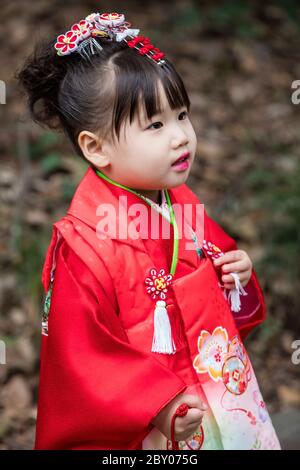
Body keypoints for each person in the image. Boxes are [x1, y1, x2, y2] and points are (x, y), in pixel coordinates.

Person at [17, 11, 281, 450]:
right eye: (156, 125)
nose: (181, 136)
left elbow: (219, 294)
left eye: (182, 115)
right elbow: (84, 360)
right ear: (95, 147)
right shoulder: (83, 248)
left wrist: (236, 275)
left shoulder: (180, 203)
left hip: (212, 396)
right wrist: (157, 406)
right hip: (156, 423)